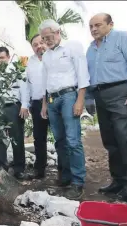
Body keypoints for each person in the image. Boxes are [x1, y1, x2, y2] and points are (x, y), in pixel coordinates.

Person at [86, 13, 127, 202]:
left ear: (110, 24)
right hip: (101, 95)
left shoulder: (124, 38)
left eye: (98, 25)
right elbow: (91, 75)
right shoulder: (91, 49)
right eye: (90, 26)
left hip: (122, 93)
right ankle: (119, 180)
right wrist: (90, 98)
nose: (93, 29)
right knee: (111, 140)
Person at [39, 19, 89, 200]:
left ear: (58, 32)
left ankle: (78, 181)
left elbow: (83, 74)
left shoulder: (72, 47)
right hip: (52, 100)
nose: (46, 41)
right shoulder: (46, 56)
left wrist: (80, 100)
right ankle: (66, 176)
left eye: (49, 36)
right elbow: (45, 81)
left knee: (73, 140)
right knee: (59, 140)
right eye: (44, 38)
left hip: (69, 97)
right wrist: (45, 104)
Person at [25, 34, 67, 182]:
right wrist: (28, 103)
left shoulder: (54, 57)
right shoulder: (30, 62)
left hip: (54, 101)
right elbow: (28, 85)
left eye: (40, 42)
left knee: (60, 137)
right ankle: (39, 170)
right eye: (35, 45)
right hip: (36, 104)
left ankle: (63, 173)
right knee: (39, 138)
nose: (39, 46)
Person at [0, 46, 31, 180]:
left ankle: (18, 168)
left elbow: (25, 89)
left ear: (8, 57)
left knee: (16, 138)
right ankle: (2, 167)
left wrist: (24, 105)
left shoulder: (16, 71)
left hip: (13, 107)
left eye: (2, 58)